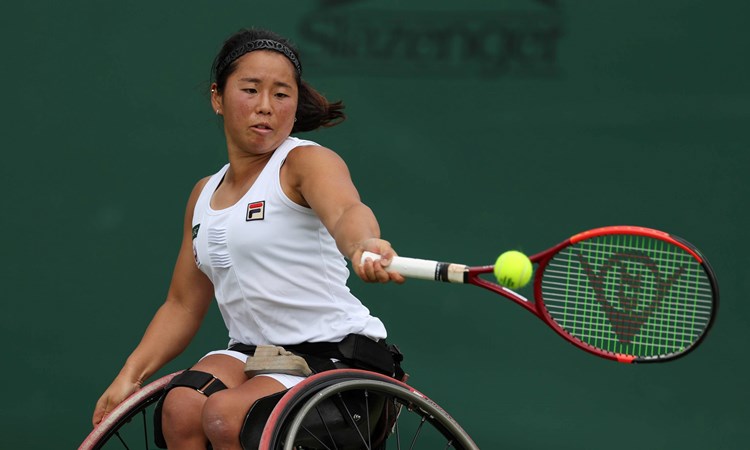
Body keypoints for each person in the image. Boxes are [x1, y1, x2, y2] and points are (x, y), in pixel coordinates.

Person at [91, 28, 405, 449]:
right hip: (258, 356)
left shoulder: (305, 162)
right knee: (182, 406)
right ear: (218, 98)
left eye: (281, 94)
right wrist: (130, 375)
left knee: (224, 415)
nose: (265, 107)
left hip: (336, 359)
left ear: (295, 104)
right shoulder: (203, 194)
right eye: (251, 90)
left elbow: (348, 212)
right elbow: (182, 304)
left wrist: (363, 243)